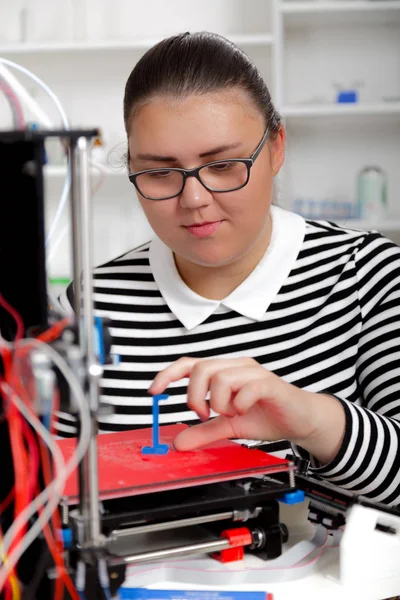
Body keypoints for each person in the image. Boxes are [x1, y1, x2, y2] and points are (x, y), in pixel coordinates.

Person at [59, 31, 400, 506]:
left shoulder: (369, 275)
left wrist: (314, 420)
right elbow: (40, 487)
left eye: (223, 164)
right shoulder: (91, 303)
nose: (194, 199)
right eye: (159, 173)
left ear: (276, 147)